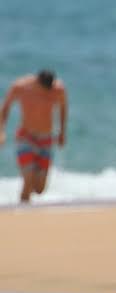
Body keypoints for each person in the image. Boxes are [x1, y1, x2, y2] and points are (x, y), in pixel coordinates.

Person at [0, 70, 68, 203]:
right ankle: (23, 214)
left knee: (39, 189)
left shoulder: (58, 89)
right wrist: (1, 131)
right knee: (28, 180)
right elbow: (5, 108)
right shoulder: (20, 87)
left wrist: (62, 132)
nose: (48, 92)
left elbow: (63, 108)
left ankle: (26, 196)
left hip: (46, 140)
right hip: (26, 138)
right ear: (37, 82)